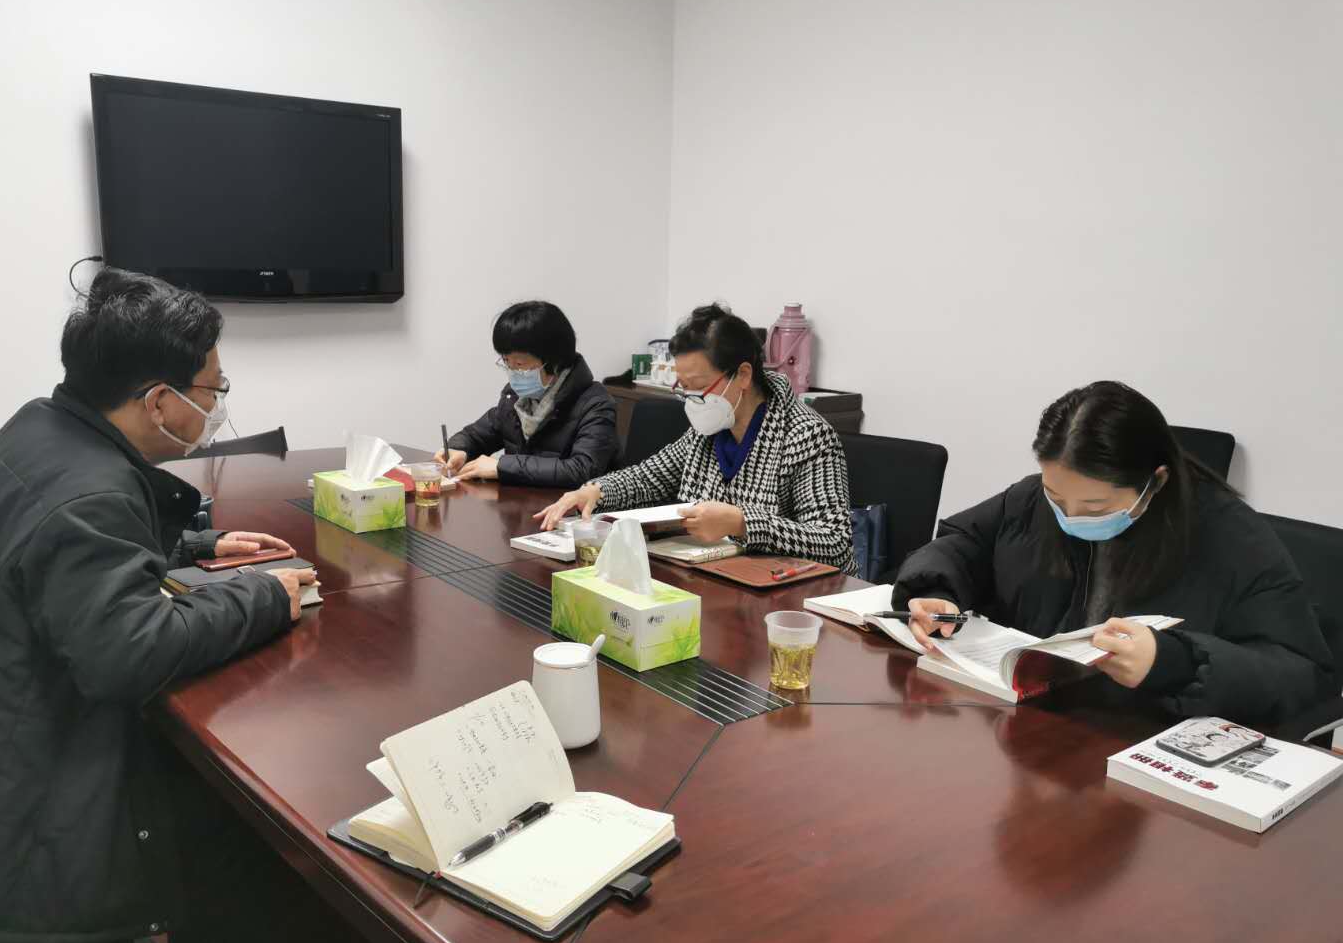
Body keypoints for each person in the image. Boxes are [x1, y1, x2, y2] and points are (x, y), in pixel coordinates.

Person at [0, 267, 318, 943]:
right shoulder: (90, 492)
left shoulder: (43, 429)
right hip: (2, 813)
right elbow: (130, 652)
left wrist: (199, 545)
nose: (216, 406)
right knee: (231, 822)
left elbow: (56, 553)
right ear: (159, 402)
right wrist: (264, 597)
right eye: (213, 390)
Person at [893, 380, 1337, 726]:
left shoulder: (1229, 535)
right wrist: (936, 590)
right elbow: (963, 541)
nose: (1070, 516)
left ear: (1156, 480)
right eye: (1056, 497)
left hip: (1138, 748)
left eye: (1095, 508)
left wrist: (1176, 663)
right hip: (1030, 724)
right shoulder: (1033, 499)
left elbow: (1301, 672)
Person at [537, 303, 858, 574]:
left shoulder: (807, 435)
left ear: (743, 375)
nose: (691, 399)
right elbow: (649, 477)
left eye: (699, 386)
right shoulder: (712, 426)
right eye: (684, 387)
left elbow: (835, 544)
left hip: (786, 593)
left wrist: (742, 523)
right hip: (715, 576)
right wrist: (596, 491)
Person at [435, 300, 619, 487]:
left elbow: (582, 470)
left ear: (554, 362)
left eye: (519, 364)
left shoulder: (595, 404)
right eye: (507, 362)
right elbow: (478, 435)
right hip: (521, 501)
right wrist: (459, 449)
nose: (513, 372)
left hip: (571, 504)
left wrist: (501, 466)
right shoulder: (515, 399)